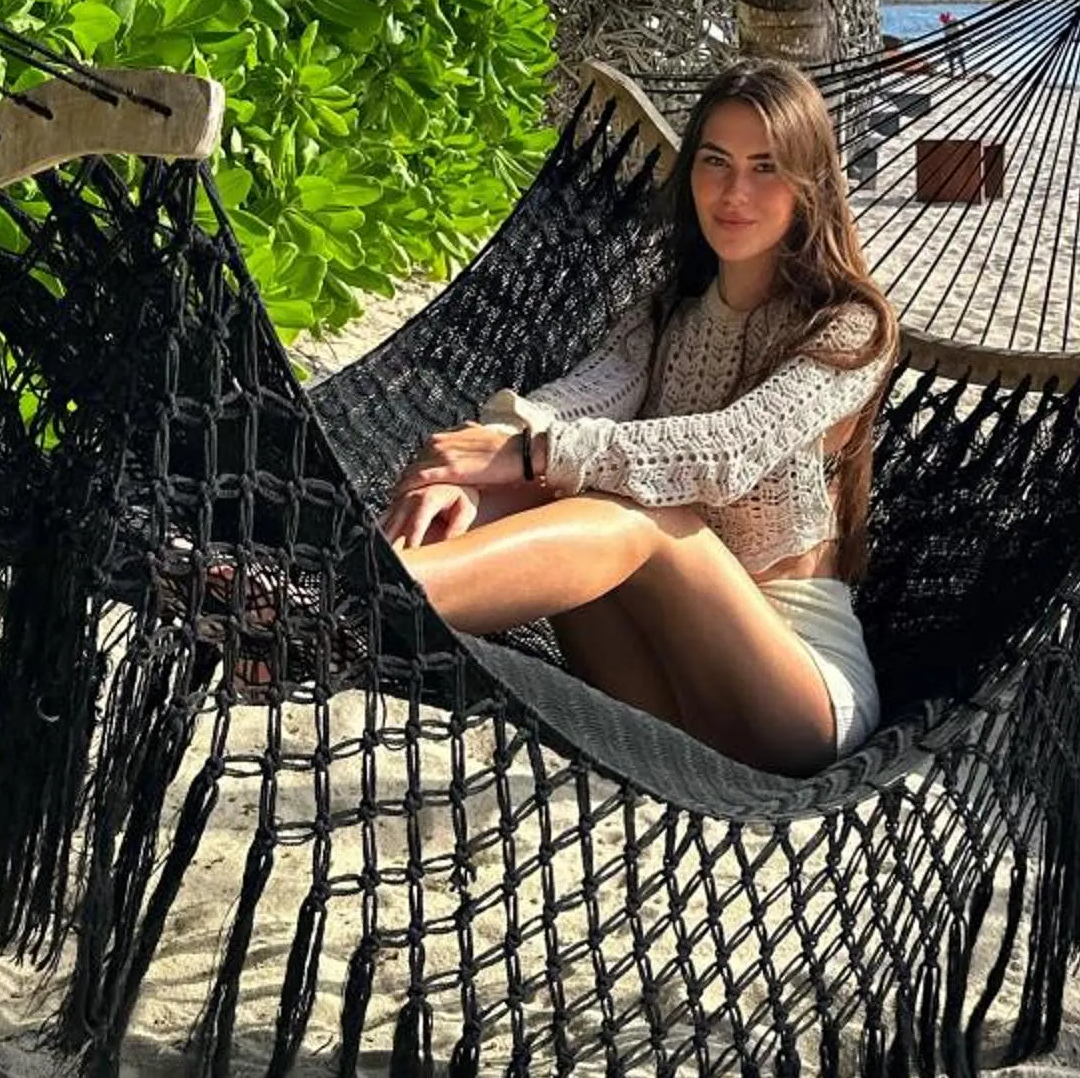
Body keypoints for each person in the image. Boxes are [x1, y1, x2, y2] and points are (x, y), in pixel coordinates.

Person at [377, 61, 897, 774]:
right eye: (715, 161)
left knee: (645, 519)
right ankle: (344, 596)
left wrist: (530, 455)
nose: (734, 192)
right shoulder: (661, 320)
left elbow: (729, 450)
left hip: (797, 698)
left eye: (765, 167)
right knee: (490, 471)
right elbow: (571, 403)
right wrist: (478, 463)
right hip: (664, 700)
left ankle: (357, 606)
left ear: (809, 186)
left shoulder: (847, 329)